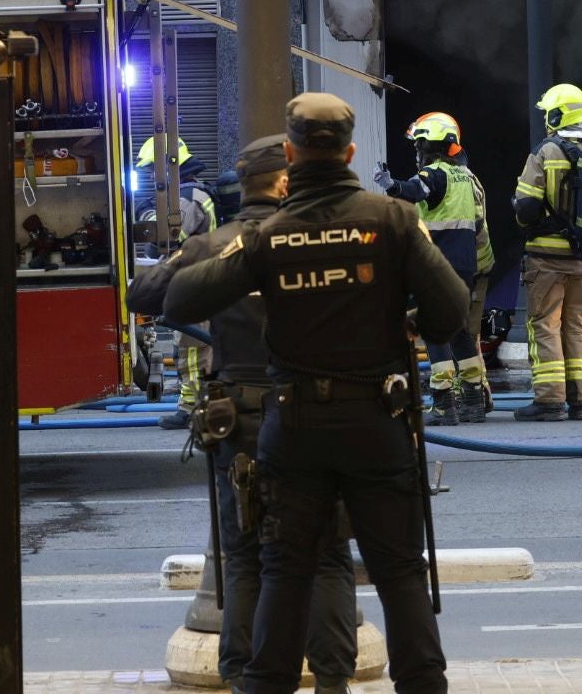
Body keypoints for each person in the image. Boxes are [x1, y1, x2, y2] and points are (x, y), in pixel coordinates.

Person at [164, 93, 468, 694]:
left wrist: (245, 249)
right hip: (377, 425)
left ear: (291, 153)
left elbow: (177, 301)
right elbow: (453, 309)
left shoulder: (268, 236)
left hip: (294, 428)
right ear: (351, 152)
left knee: (284, 572)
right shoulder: (394, 220)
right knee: (400, 573)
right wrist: (416, 322)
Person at [128, 134, 358, 694]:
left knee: (246, 553)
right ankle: (332, 681)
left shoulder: (215, 246)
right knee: (326, 551)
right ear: (287, 181)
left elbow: (144, 293)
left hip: (242, 417)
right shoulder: (325, 237)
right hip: (319, 409)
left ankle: (244, 678)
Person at [511, 83, 582, 422]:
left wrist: (518, 208)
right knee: (580, 326)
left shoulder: (545, 153)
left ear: (557, 114)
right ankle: (581, 402)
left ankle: (548, 401)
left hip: (546, 259)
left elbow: (528, 208)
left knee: (545, 324)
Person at [373, 112, 495, 425]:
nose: (417, 151)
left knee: (434, 329)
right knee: (459, 331)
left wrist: (391, 185)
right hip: (465, 265)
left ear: (430, 145)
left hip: (438, 264)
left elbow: (415, 191)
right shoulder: (466, 176)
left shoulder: (436, 173)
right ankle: (472, 400)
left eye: (419, 145)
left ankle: (443, 404)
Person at [135, 135, 218, 428]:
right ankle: (193, 400)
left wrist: (146, 221)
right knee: (187, 348)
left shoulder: (187, 197)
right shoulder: (191, 194)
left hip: (195, 284)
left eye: (150, 170)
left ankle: (192, 409)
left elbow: (168, 238)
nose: (147, 177)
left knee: (193, 351)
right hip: (194, 283)